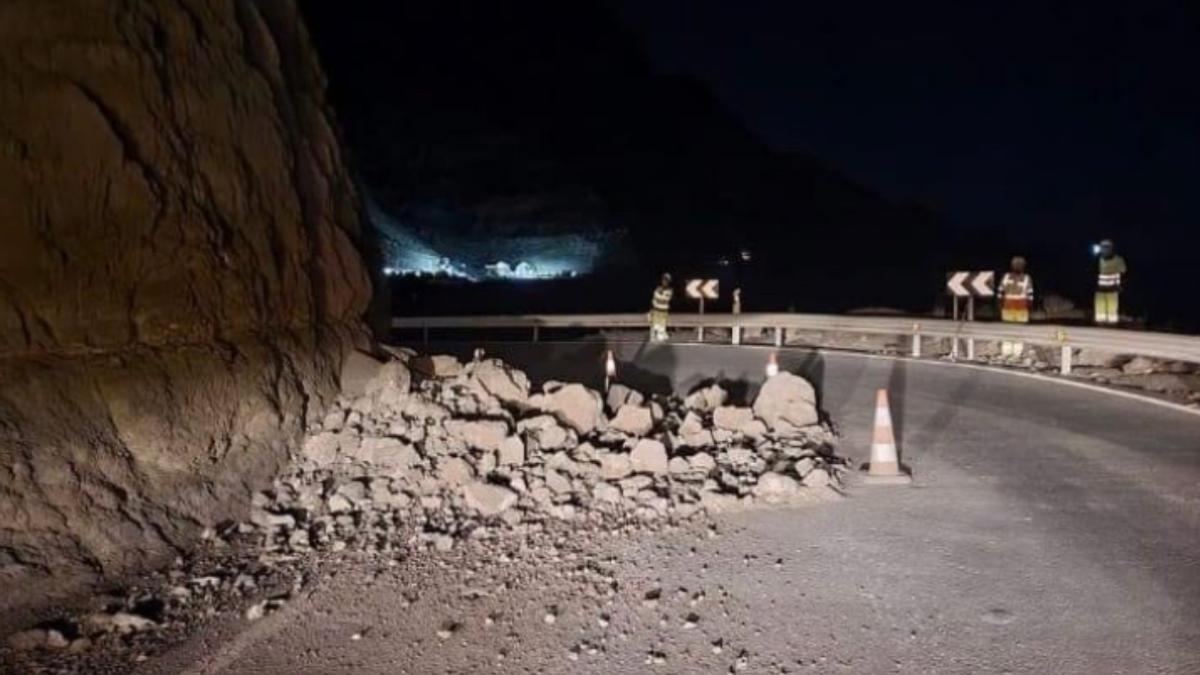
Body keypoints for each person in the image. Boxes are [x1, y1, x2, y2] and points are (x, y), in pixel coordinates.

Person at [999, 256, 1033, 358]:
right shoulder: (1027, 278)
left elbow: (1000, 294)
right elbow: (1030, 296)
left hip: (1008, 306)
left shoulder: (1006, 277)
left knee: (1008, 331)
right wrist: (1030, 309)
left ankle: (1007, 353)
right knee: (1019, 331)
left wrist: (1000, 307)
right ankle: (1016, 354)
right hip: (1021, 307)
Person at [1094, 239, 1127, 325]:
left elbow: (1123, 271)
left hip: (1113, 287)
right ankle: (1100, 321)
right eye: (1103, 248)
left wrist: (1121, 284)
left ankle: (1112, 322)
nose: (1104, 250)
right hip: (1100, 288)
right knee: (1100, 305)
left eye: (1106, 247)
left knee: (1112, 305)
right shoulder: (1098, 259)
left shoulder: (1118, 259)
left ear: (1111, 249)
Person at [649, 273, 674, 342]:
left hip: (663, 311)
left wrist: (660, 294)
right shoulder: (658, 289)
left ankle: (660, 334)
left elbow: (664, 298)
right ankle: (655, 335)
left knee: (661, 327)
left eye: (667, 280)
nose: (665, 281)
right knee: (656, 326)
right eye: (664, 280)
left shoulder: (669, 290)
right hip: (657, 310)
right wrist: (651, 309)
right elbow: (654, 299)